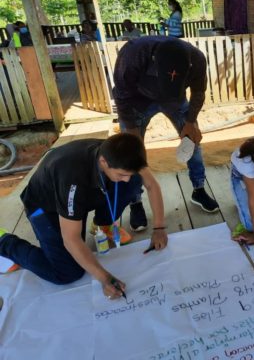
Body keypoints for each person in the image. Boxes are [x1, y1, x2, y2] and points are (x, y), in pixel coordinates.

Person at [0, 133, 168, 300]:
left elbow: (151, 185)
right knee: (67, 273)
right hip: (45, 206)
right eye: (122, 174)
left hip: (81, 197)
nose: (125, 179)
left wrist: (159, 227)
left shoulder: (123, 152)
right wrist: (105, 278)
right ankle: (5, 243)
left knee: (133, 183)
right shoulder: (73, 179)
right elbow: (71, 238)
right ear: (103, 162)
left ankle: (102, 225)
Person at [113, 36, 219, 232]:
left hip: (175, 100)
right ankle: (135, 202)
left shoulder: (196, 59)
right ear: (153, 61)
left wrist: (190, 122)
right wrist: (133, 134)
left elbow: (198, 92)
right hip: (137, 101)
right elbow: (121, 94)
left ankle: (199, 189)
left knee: (192, 140)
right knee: (130, 153)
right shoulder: (133, 54)